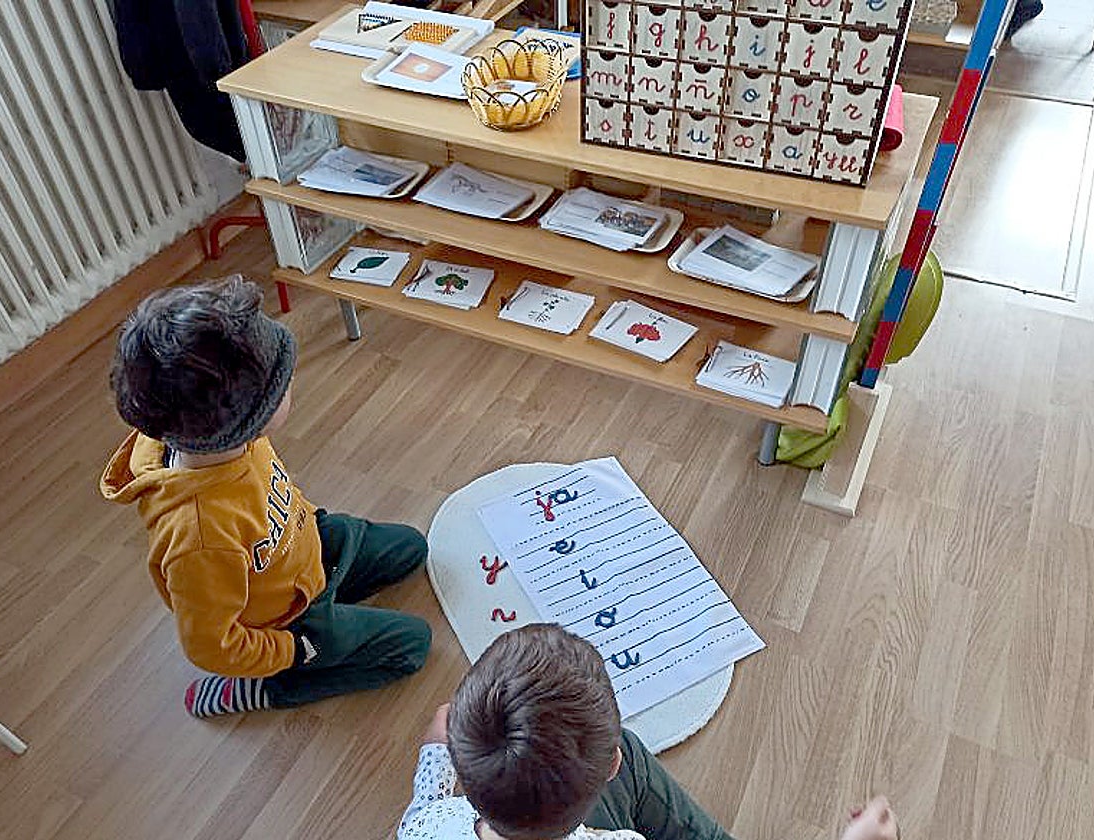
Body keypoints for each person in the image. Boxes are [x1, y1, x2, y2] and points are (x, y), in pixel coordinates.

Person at [100, 276, 431, 717]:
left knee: (411, 547)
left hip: (302, 545)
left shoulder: (216, 436)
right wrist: (289, 651)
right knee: (412, 645)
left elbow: (272, 491)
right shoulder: (199, 536)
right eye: (284, 383)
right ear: (248, 419)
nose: (293, 380)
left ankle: (330, 613)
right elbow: (212, 645)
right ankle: (272, 687)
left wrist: (311, 522)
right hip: (284, 623)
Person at [399, 624, 898, 840]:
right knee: (636, 752)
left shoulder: (423, 827)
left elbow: (433, 779)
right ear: (608, 766)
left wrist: (444, 748)